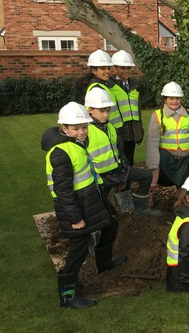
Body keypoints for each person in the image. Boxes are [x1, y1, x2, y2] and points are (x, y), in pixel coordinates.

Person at [41, 102, 127, 309]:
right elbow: (62, 191)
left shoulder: (76, 143)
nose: (81, 132)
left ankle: (104, 263)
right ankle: (68, 297)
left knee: (110, 225)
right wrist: (75, 218)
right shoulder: (60, 153)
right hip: (75, 207)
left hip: (90, 198)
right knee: (78, 249)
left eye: (84, 127)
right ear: (64, 129)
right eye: (76, 128)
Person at [84, 89, 161, 217]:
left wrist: (124, 169)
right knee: (100, 207)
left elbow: (119, 152)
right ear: (90, 110)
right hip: (101, 177)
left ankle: (138, 209)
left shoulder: (111, 128)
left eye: (108, 110)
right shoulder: (85, 131)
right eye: (102, 111)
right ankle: (113, 217)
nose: (105, 115)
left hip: (118, 171)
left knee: (146, 176)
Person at [146, 82, 189, 203]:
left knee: (184, 183)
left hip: (185, 157)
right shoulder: (157, 115)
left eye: (177, 98)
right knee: (154, 175)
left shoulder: (188, 114)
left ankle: (182, 204)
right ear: (165, 99)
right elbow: (152, 142)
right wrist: (153, 163)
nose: (174, 101)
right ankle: (148, 201)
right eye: (171, 98)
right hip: (166, 156)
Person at [108, 50, 144, 166]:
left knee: (130, 162)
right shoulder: (110, 86)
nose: (126, 71)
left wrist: (139, 131)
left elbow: (137, 111)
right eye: (123, 68)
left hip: (131, 134)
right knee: (119, 164)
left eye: (128, 68)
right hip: (117, 132)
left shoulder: (134, 86)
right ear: (115, 68)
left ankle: (128, 184)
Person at [75, 50, 119, 128]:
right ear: (94, 71)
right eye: (103, 68)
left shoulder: (103, 84)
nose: (107, 71)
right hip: (103, 128)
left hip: (110, 128)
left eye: (108, 68)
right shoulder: (96, 88)